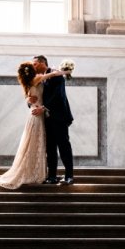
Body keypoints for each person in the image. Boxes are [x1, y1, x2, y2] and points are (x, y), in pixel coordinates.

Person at [0, 61, 64, 190]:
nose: (36, 67)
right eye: (33, 65)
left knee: (33, 145)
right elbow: (55, 74)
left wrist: (29, 100)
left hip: (33, 115)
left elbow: (30, 98)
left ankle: (35, 172)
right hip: (37, 116)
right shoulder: (37, 78)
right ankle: (36, 173)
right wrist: (65, 71)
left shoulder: (27, 82)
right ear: (31, 71)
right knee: (36, 144)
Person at [32, 54, 74, 184]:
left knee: (63, 146)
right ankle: (52, 176)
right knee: (50, 148)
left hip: (59, 117)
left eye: (35, 64)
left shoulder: (56, 74)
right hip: (46, 119)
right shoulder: (40, 78)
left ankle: (69, 176)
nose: (33, 67)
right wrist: (30, 102)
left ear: (42, 63)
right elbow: (35, 95)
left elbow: (58, 96)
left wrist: (44, 108)